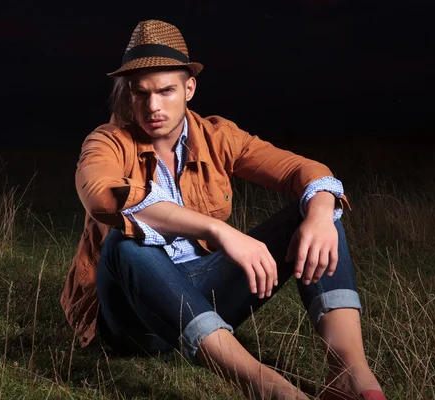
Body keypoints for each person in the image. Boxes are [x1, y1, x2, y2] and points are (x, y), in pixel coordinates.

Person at [60, 19, 386, 400]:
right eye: (140, 93)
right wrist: (217, 230)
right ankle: (268, 387)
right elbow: (103, 196)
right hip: (136, 316)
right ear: (128, 95)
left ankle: (349, 373)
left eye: (166, 91)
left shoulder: (217, 136)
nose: (153, 106)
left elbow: (304, 171)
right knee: (125, 243)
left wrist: (318, 215)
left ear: (189, 88)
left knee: (317, 213)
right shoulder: (107, 141)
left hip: (203, 292)